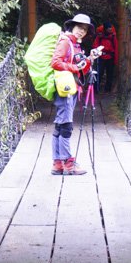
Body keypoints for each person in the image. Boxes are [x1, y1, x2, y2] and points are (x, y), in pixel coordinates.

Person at [50, 13, 101, 175]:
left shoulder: (76, 45)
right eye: (80, 28)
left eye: (85, 30)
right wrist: (75, 68)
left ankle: (58, 163)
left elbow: (81, 69)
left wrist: (89, 59)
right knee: (66, 125)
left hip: (72, 87)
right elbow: (55, 62)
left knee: (61, 124)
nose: (82, 31)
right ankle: (68, 163)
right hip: (64, 89)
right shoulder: (65, 41)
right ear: (72, 26)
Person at [93, 20, 118, 92]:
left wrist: (116, 59)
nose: (110, 30)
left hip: (110, 57)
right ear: (105, 29)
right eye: (108, 29)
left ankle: (107, 90)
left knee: (109, 74)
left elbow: (116, 48)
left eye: (110, 29)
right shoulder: (100, 36)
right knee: (99, 73)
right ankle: (96, 89)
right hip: (101, 57)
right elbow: (95, 45)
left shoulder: (113, 36)